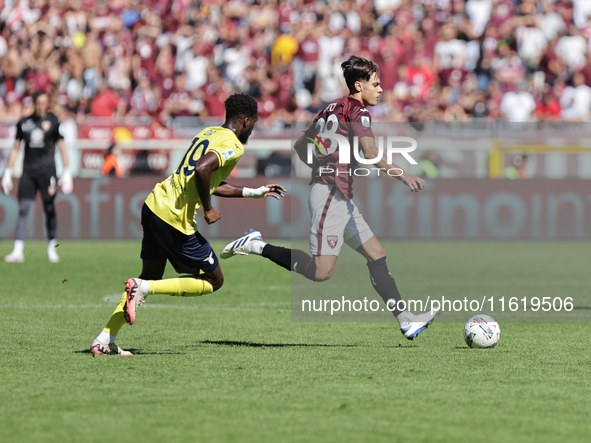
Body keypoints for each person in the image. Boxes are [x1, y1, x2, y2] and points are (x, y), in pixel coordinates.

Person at [221, 56, 438, 340]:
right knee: (321, 271)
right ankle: (256, 245)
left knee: (377, 253)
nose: (381, 89)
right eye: (376, 84)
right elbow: (370, 152)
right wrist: (403, 175)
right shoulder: (358, 111)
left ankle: (405, 320)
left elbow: (300, 146)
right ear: (359, 85)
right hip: (330, 195)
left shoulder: (331, 107)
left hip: (338, 194)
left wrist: (320, 166)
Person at [90, 93, 286, 356]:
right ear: (246, 121)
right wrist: (207, 208)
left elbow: (210, 180)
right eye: (254, 123)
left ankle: (105, 338)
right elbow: (202, 170)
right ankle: (143, 288)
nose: (252, 129)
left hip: (154, 205)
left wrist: (255, 191)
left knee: (149, 277)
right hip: (174, 218)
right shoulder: (234, 145)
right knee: (214, 280)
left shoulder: (209, 133)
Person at [1, 90, 73, 263]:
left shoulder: (53, 121)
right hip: (28, 172)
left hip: (48, 172)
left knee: (49, 208)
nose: (41, 106)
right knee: (24, 208)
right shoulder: (24, 123)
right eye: (38, 102)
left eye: (44, 102)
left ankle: (52, 247)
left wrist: (67, 170)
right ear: (34, 103)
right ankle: (18, 250)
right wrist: (8, 172)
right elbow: (16, 147)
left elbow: (62, 146)